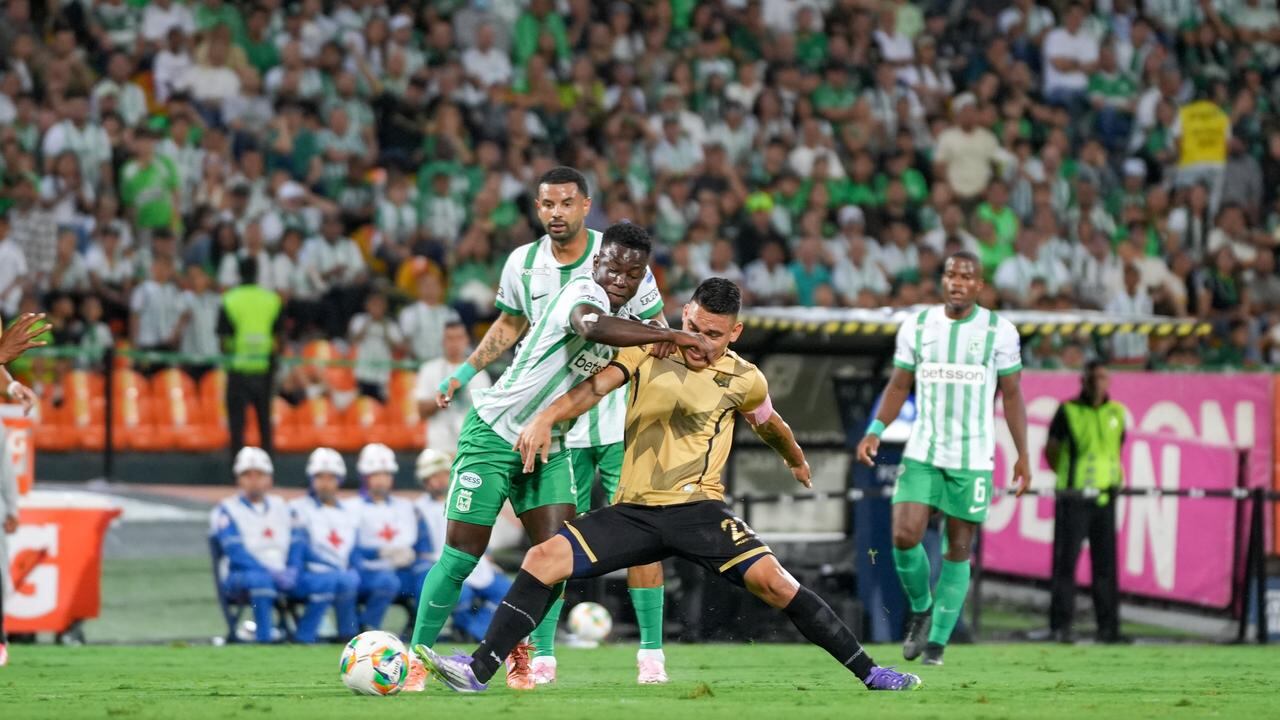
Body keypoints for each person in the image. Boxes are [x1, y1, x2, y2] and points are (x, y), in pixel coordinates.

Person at [412, 278, 921, 693]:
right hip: (633, 512)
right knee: (542, 559)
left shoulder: (745, 379)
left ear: (735, 333)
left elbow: (770, 424)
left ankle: (871, 672)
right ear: (684, 316)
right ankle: (479, 671)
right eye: (693, 327)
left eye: (714, 335)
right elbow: (593, 388)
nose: (701, 341)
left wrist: (795, 459)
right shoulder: (647, 351)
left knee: (777, 584)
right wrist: (546, 418)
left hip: (699, 512)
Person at [409, 222, 711, 691]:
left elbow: (661, 355)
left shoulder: (635, 317)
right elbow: (592, 326)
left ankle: (519, 650)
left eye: (632, 275)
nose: (620, 279)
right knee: (463, 556)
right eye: (613, 267)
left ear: (642, 278)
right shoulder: (581, 294)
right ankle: (415, 658)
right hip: (494, 433)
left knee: (554, 556)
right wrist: (667, 338)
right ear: (598, 263)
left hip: (551, 443)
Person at [856, 251, 1031, 667]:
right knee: (903, 535)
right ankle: (921, 608)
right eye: (951, 274)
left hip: (972, 456)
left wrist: (1023, 455)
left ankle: (937, 642)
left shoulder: (999, 331)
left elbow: (1012, 395)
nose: (957, 281)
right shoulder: (917, 327)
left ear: (979, 285)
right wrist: (875, 430)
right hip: (924, 451)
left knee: (958, 548)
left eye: (966, 276)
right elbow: (899, 385)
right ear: (943, 280)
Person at [1044, 361, 1126, 644]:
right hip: (1074, 497)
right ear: (1084, 380)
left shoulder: (1117, 412)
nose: (1099, 383)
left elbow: (1117, 449)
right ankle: (1061, 626)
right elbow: (1052, 449)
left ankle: (1108, 629)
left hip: (1106, 496)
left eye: (1103, 377)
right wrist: (1068, 480)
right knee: (1066, 563)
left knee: (1106, 565)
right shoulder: (1068, 410)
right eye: (1094, 378)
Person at [413, 448, 512, 642]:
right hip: (438, 562)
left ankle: (481, 632)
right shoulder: (418, 509)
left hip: (474, 559)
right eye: (434, 476)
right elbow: (420, 548)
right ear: (425, 480)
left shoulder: (464, 498)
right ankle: (466, 631)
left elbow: (479, 529)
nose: (440, 480)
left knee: (506, 591)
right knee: (460, 593)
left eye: (443, 474)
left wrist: (488, 553)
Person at [210, 447, 293, 643]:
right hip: (240, 575)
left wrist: (294, 569)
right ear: (239, 479)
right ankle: (265, 639)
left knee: (327, 580)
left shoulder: (282, 506)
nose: (253, 480)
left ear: (269, 478)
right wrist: (269, 571)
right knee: (260, 581)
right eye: (247, 474)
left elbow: (297, 542)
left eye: (260, 474)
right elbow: (235, 552)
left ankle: (305, 637)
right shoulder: (227, 510)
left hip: (282, 573)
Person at [349, 443, 427, 631]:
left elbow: (422, 545)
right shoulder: (351, 507)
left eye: (386, 474)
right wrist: (380, 552)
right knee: (386, 581)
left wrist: (413, 556)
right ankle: (367, 628)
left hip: (403, 571)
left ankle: (419, 631)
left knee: (429, 577)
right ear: (365, 477)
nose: (382, 480)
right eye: (376, 475)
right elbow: (348, 549)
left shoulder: (407, 507)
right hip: (367, 572)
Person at [287, 447, 360, 644]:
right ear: (312, 479)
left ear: (339, 480)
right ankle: (304, 636)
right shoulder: (297, 508)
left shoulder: (349, 513)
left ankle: (348, 637)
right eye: (320, 477)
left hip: (339, 574)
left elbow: (353, 550)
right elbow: (298, 549)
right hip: (306, 574)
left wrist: (354, 568)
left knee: (348, 581)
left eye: (331, 478)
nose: (325, 483)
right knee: (332, 580)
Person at [218, 257, 283, 461]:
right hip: (265, 369)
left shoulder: (230, 299)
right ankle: (268, 469)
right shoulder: (271, 299)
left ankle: (237, 471)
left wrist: (232, 353)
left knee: (238, 426)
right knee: (265, 424)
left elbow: (224, 339)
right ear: (257, 273)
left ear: (238, 273)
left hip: (238, 369)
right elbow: (279, 337)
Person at [413, 321, 491, 453]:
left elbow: (487, 416)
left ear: (466, 340)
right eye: (450, 338)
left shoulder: (480, 374)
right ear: (443, 342)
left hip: (469, 447)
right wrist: (446, 396)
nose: (454, 343)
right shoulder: (429, 369)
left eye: (459, 338)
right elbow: (422, 412)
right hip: (438, 447)